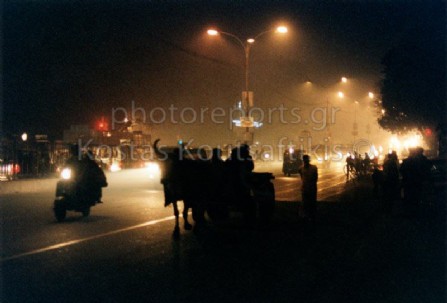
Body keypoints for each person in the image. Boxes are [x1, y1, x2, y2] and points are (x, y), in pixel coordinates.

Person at [298, 154, 318, 223]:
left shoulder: (302, 169)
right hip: (308, 187)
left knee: (308, 202)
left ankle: (308, 215)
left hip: (309, 187)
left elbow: (314, 178)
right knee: (307, 202)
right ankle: (308, 215)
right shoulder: (313, 168)